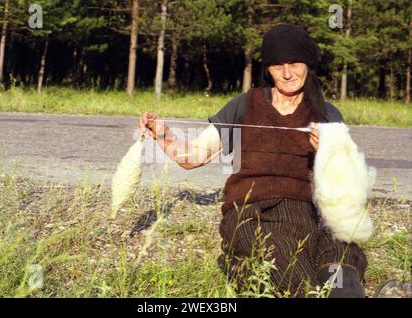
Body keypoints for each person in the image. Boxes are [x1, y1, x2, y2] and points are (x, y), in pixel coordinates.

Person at [138, 24, 367, 297]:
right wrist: (162, 134)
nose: (286, 73)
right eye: (277, 65)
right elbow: (193, 157)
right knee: (280, 256)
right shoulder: (245, 105)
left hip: (310, 211)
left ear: (308, 64)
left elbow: (348, 182)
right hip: (252, 211)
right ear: (267, 69)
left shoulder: (326, 113)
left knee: (340, 251)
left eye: (294, 63)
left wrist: (328, 155)